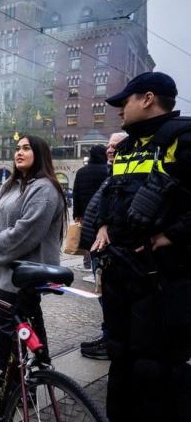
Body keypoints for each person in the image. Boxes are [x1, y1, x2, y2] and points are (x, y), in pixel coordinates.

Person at [91, 72, 191, 422]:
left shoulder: (183, 138)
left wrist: (173, 236)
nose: (120, 110)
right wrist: (103, 224)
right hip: (122, 272)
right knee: (120, 355)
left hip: (161, 279)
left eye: (125, 102)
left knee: (154, 366)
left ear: (147, 98)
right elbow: (112, 192)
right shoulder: (128, 145)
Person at [0, 135, 67, 402]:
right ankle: (21, 372)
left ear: (39, 153)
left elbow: (27, 230)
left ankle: (21, 386)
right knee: (21, 322)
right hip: (8, 268)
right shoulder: (13, 184)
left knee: (9, 325)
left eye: (26, 148)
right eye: (17, 148)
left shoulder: (44, 189)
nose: (19, 152)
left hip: (26, 271)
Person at [79, 134, 127, 361]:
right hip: (99, 248)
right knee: (104, 297)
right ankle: (108, 336)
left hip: (108, 249)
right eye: (108, 145)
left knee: (108, 298)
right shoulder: (112, 173)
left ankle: (111, 341)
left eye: (115, 146)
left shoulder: (123, 174)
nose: (110, 149)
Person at [72, 145, 108, 270]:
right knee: (102, 238)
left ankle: (88, 264)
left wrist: (77, 214)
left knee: (87, 237)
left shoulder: (81, 172)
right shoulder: (108, 170)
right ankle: (99, 266)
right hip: (103, 212)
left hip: (85, 212)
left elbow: (75, 194)